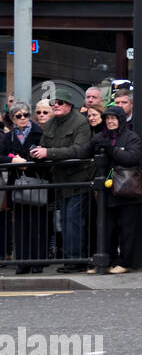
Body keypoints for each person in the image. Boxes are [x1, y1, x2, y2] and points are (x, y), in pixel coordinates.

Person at [28, 89, 94, 272]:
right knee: (64, 221)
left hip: (77, 180)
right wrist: (36, 152)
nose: (55, 105)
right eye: (54, 102)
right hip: (60, 180)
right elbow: (44, 145)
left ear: (69, 105)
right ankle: (69, 259)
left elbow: (79, 150)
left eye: (60, 102)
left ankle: (76, 261)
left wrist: (48, 153)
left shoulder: (80, 123)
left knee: (73, 221)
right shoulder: (50, 124)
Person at [92, 104, 142, 273]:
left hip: (127, 191)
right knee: (107, 229)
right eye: (107, 118)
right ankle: (106, 262)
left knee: (127, 229)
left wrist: (112, 150)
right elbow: (81, 150)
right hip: (108, 192)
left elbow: (132, 157)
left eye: (113, 118)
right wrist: (48, 153)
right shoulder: (101, 136)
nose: (110, 121)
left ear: (121, 120)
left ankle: (125, 263)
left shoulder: (132, 137)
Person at [1, 101, 49, 273]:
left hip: (36, 181)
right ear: (13, 119)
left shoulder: (40, 133)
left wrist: (30, 163)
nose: (23, 118)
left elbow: (49, 154)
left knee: (38, 223)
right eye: (18, 116)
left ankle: (38, 262)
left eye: (25, 115)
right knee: (20, 225)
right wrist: (13, 161)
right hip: (17, 184)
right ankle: (22, 262)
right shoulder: (8, 137)